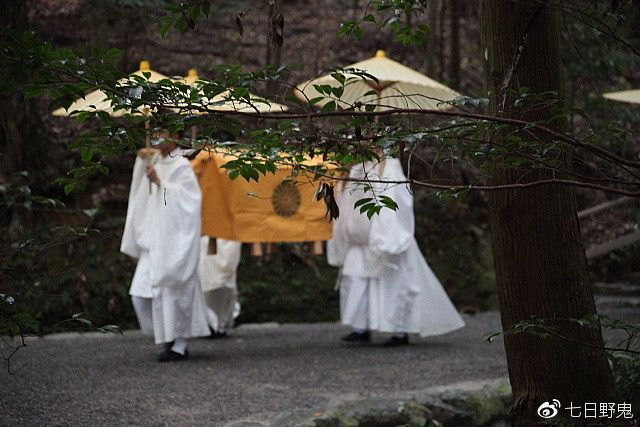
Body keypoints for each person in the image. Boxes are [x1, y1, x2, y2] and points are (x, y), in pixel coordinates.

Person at [327, 156, 465, 346]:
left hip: (384, 239)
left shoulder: (388, 166)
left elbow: (395, 199)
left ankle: (399, 331)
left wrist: (386, 238)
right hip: (359, 241)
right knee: (356, 283)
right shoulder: (354, 168)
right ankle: (360, 327)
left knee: (392, 285)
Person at [121, 131, 210, 362]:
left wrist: (161, 183)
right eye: (155, 136)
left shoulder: (181, 165)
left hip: (175, 240)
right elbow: (142, 197)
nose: (158, 141)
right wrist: (143, 166)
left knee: (176, 291)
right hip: (155, 239)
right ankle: (164, 334)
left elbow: (190, 201)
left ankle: (179, 343)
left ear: (174, 138)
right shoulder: (155, 161)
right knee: (141, 295)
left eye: (163, 136)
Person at [198, 237, 242, 337]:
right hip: (208, 237)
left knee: (226, 283)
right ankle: (210, 322)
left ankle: (221, 323)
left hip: (229, 235)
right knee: (206, 280)